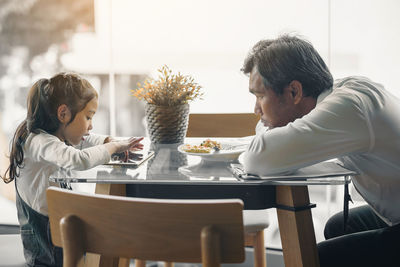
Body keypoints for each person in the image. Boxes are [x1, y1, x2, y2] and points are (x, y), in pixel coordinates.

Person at [241, 35, 400, 267]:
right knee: (339, 226)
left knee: (318, 259)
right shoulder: (347, 92)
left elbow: (258, 159)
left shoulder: (346, 108)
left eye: (260, 96)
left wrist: (269, 127)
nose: (256, 109)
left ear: (294, 92)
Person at [1, 72, 144, 266]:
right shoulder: (38, 141)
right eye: (88, 117)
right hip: (43, 237)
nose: (91, 125)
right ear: (63, 114)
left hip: (57, 223)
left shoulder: (57, 135)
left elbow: (85, 140)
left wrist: (108, 141)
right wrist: (113, 148)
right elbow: (78, 159)